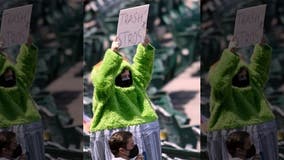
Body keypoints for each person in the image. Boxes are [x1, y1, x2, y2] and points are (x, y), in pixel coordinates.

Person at [89, 35, 161, 160]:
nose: (126, 73)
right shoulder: (105, 92)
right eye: (121, 71)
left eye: (127, 70)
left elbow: (142, 70)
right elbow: (102, 81)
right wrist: (113, 53)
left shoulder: (136, 83)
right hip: (116, 134)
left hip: (142, 130)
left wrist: (143, 47)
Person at [206, 36, 278, 160]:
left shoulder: (252, 82)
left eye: (244, 72)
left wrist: (261, 47)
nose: (243, 75)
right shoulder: (222, 90)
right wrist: (231, 53)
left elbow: (258, 72)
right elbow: (219, 81)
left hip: (259, 128)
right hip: (239, 132)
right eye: (238, 73)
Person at [0, 36, 45, 160]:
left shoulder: (5, 63)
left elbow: (23, 79)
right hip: (11, 127)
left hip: (26, 126)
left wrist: (27, 48)